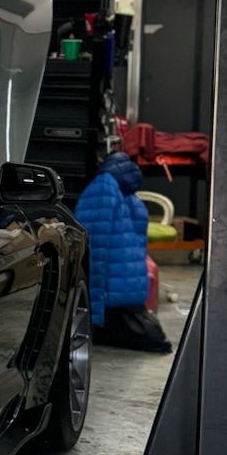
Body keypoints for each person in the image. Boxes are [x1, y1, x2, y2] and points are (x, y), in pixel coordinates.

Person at [74, 151, 170, 352]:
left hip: (112, 298)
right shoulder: (129, 194)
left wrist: (93, 317)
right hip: (130, 293)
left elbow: (95, 254)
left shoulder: (102, 188)